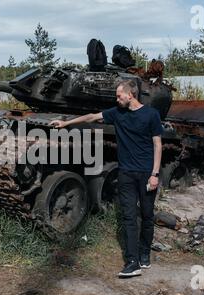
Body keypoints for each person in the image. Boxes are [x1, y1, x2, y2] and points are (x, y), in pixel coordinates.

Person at [49, 79, 163, 278]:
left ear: (131, 95)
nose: (117, 99)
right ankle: (132, 261)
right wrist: (65, 123)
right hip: (125, 173)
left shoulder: (151, 115)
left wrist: (155, 174)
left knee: (146, 215)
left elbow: (157, 145)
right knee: (128, 217)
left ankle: (144, 254)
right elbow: (92, 116)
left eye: (119, 96)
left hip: (146, 173)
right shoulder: (117, 113)